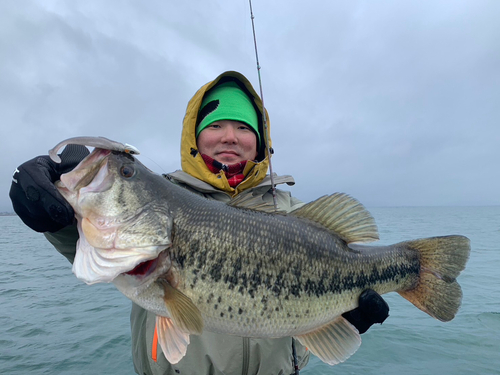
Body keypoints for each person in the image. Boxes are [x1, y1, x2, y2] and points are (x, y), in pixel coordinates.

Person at [10, 71, 389, 374]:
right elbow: (84, 234)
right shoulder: (166, 195)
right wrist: (45, 210)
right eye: (216, 125)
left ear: (261, 140)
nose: (230, 136)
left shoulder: (293, 213)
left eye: (243, 127)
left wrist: (339, 321)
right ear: (194, 135)